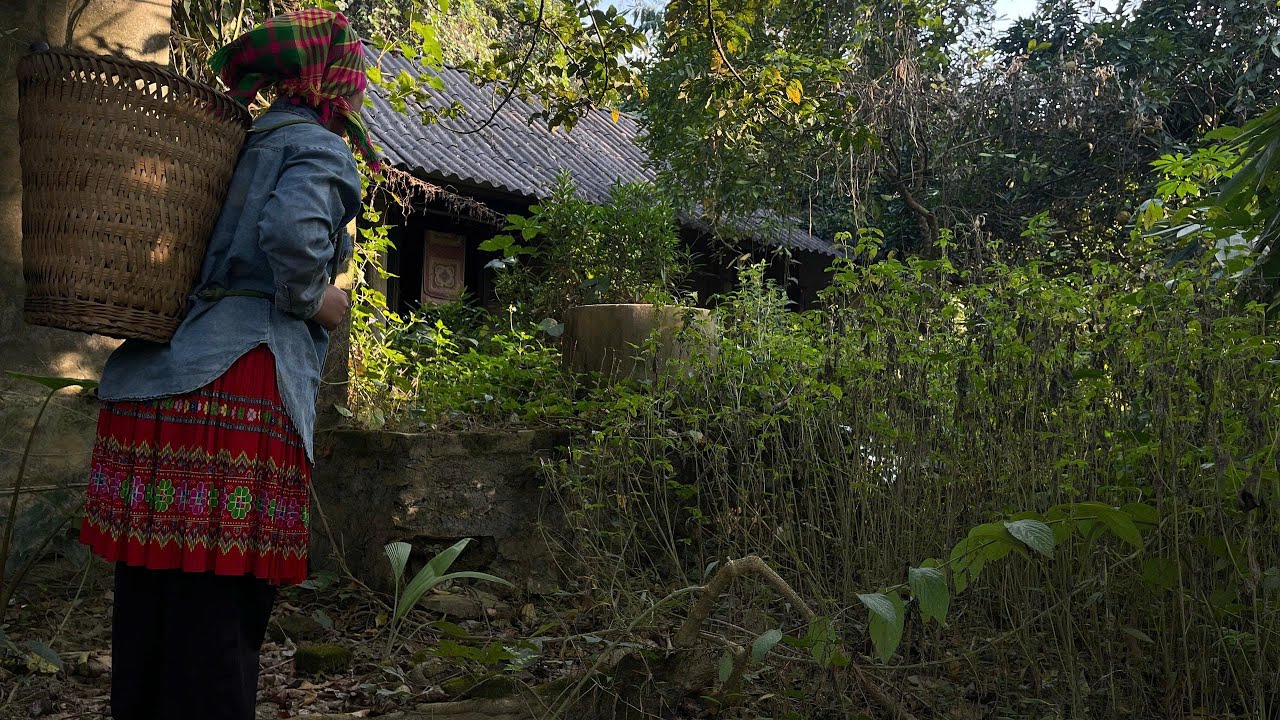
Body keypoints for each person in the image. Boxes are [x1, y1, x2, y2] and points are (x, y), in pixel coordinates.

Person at [78, 10, 379, 719]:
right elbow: (290, 236)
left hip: (158, 379)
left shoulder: (227, 140)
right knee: (220, 616)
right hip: (235, 387)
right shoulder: (321, 150)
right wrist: (317, 299)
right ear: (337, 84)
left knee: (151, 606)